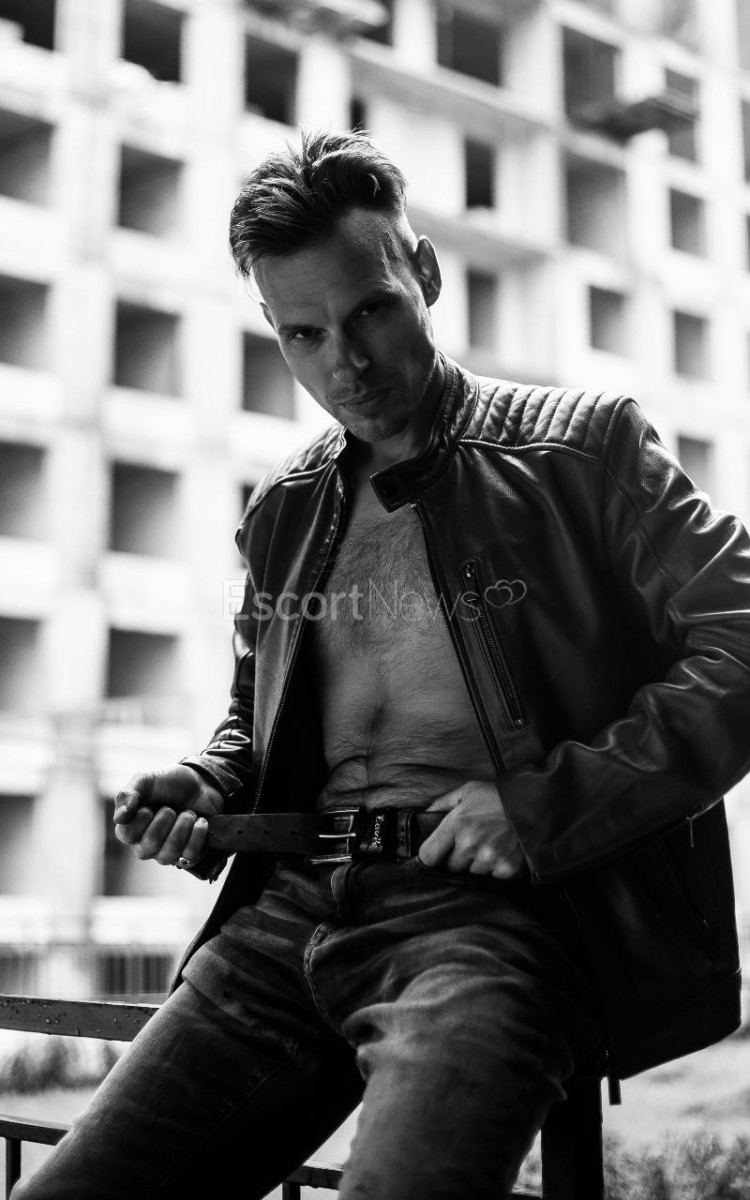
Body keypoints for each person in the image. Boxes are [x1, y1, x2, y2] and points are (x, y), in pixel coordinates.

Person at [14, 128, 750, 1200]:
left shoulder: (581, 449)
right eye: (304, 334)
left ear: (426, 276)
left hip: (490, 928)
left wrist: (546, 806)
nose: (344, 364)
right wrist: (212, 784)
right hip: (282, 923)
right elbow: (258, 719)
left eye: (370, 312)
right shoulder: (284, 510)